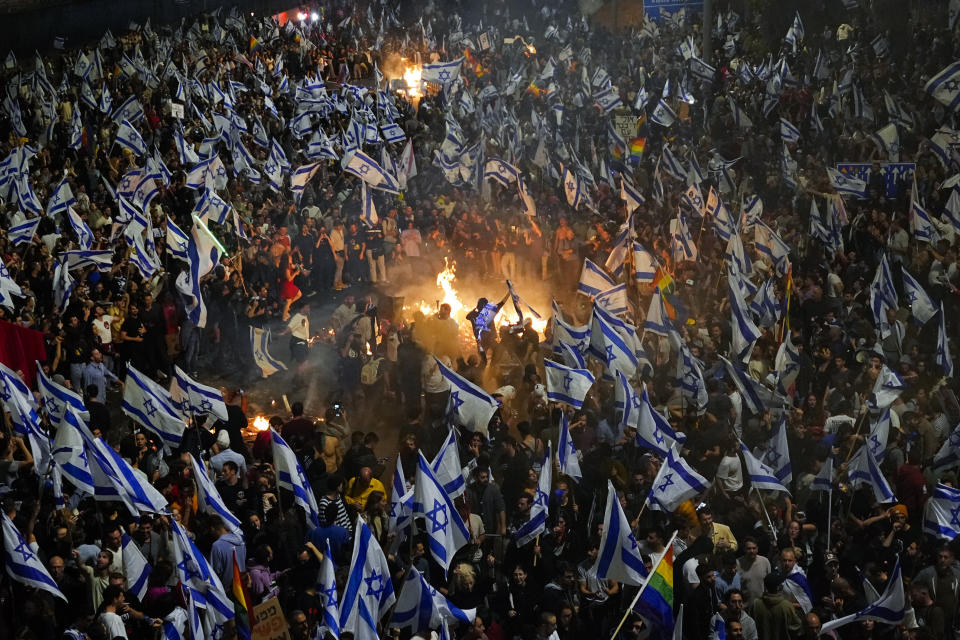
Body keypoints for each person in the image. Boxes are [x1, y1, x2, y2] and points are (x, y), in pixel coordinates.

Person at [751, 573, 802, 640]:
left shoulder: (756, 604)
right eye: (781, 584)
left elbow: (751, 625)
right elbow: (797, 625)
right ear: (778, 588)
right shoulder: (787, 606)